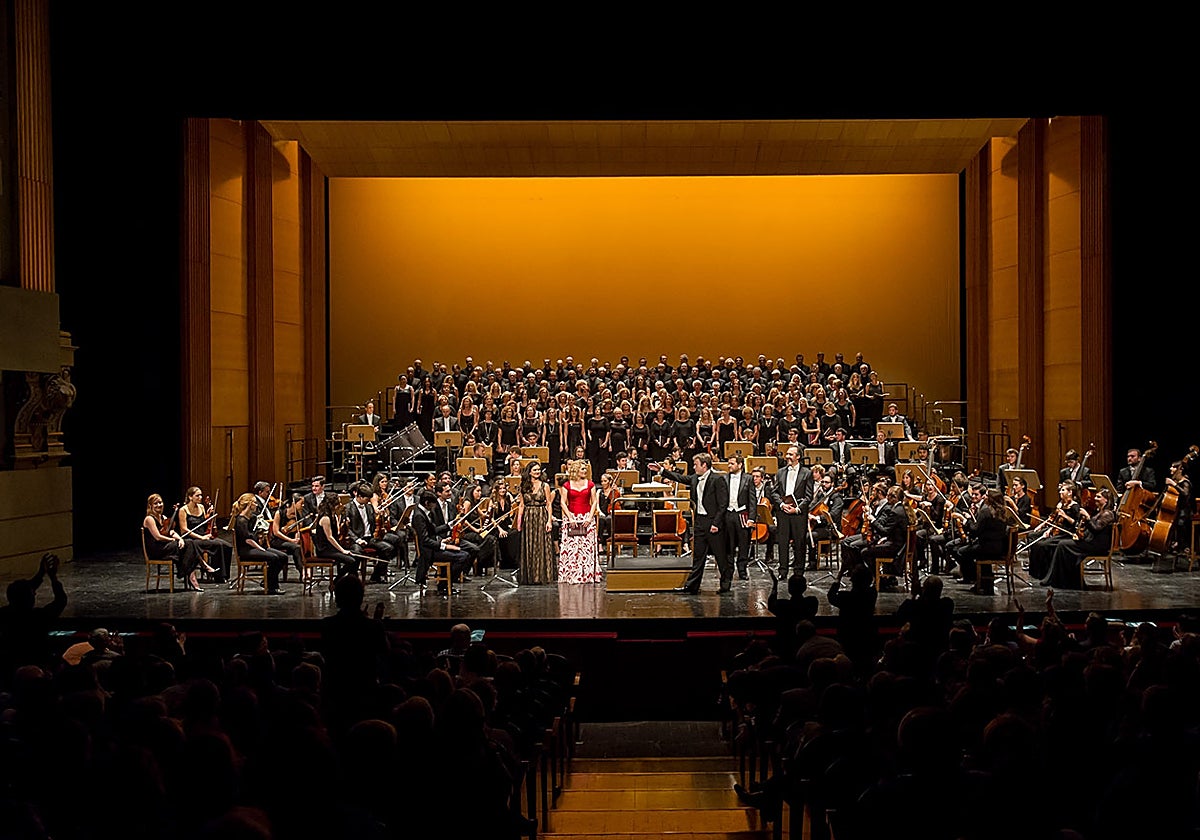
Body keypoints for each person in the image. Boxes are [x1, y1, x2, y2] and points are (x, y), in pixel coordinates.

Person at [651, 452, 731, 594]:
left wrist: (716, 524)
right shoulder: (695, 478)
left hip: (714, 523)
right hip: (700, 521)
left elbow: (723, 504)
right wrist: (662, 471)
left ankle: (725, 585)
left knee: (721, 556)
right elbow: (680, 478)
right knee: (698, 556)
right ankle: (692, 586)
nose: (694, 467)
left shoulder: (717, 479)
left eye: (696, 464)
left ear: (704, 465)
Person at [0, 554, 67, 681]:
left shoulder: (4, 615)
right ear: (30, 598)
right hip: (39, 666)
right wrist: (53, 577)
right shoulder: (39, 617)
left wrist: (40, 574)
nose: (35, 593)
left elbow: (19, 594)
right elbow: (61, 601)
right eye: (33, 593)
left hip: (10, 667)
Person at [1039, 488, 1116, 589]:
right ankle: (1060, 579)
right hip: (1091, 542)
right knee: (1063, 544)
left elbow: (1096, 529)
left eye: (1098, 497)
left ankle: (1065, 581)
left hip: (1097, 545)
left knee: (1063, 545)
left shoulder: (1108, 514)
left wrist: (1087, 518)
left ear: (1106, 500)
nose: (1095, 498)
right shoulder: (1100, 512)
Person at [410, 489, 473, 594]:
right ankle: (445, 585)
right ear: (426, 503)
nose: (434, 507)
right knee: (463, 556)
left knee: (463, 553)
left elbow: (433, 530)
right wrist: (444, 546)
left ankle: (444, 584)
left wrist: (451, 524)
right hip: (429, 552)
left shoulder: (422, 512)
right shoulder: (419, 516)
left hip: (433, 548)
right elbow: (425, 540)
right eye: (433, 504)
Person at [768, 445, 814, 580]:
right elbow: (774, 492)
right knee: (782, 542)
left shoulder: (807, 473)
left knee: (799, 543)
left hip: (798, 513)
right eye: (787, 454)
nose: (787, 456)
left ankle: (799, 572)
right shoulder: (780, 472)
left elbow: (808, 496)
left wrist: (797, 508)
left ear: (798, 457)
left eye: (790, 454)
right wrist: (781, 504)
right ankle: (783, 571)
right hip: (783, 513)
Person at [231, 492, 287, 594]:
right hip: (246, 550)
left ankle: (267, 581)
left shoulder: (251, 518)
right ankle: (272, 586)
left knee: (283, 556)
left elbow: (255, 534)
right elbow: (248, 540)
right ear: (249, 504)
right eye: (255, 503)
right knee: (274, 557)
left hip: (256, 547)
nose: (257, 505)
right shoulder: (240, 521)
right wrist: (260, 549)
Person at [143, 493, 202, 589]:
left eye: (160, 502)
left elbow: (171, 531)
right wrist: (173, 540)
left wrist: (180, 539)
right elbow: (158, 537)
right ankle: (189, 573)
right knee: (186, 546)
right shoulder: (149, 519)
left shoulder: (164, 518)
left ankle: (189, 574)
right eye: (156, 503)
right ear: (150, 506)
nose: (159, 505)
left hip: (166, 546)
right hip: (157, 550)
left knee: (188, 543)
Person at [558, 459, 601, 584]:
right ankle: (572, 573)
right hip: (572, 519)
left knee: (586, 548)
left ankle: (587, 574)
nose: (585, 471)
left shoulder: (590, 484)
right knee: (573, 547)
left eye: (585, 469)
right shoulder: (567, 485)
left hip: (586, 517)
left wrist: (590, 517)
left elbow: (594, 502)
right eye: (582, 469)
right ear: (576, 469)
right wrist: (570, 517)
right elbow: (563, 502)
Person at [176, 486, 230, 582]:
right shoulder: (183, 510)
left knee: (227, 546)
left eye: (201, 495)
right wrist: (201, 537)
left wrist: (209, 516)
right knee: (218, 545)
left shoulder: (201, 507)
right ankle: (218, 576)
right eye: (197, 496)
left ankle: (224, 574)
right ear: (190, 497)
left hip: (203, 536)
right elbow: (184, 529)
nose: (200, 497)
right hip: (192, 539)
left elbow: (203, 523)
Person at [344, 482, 394, 583]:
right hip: (355, 540)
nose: (368, 501)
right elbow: (347, 529)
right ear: (359, 496)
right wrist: (357, 540)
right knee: (356, 552)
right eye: (366, 499)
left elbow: (374, 523)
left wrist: (382, 518)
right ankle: (353, 578)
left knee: (388, 548)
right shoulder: (348, 508)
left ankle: (376, 575)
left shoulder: (369, 506)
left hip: (369, 538)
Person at [516, 462, 556, 584]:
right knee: (530, 545)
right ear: (529, 472)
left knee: (541, 544)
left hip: (541, 515)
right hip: (528, 517)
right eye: (535, 470)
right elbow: (521, 505)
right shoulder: (524, 485)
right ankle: (531, 576)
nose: (538, 472)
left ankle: (541, 576)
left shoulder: (545, 486)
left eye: (539, 470)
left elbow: (549, 504)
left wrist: (549, 520)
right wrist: (519, 522)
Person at [766, 570, 819, 659]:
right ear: (805, 588)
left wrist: (775, 584)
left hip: (785, 644)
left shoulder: (783, 605)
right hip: (805, 644)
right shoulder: (811, 602)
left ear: (789, 589)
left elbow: (771, 604)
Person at [723, 454, 755, 580]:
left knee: (743, 543)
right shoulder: (724, 478)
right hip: (728, 513)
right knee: (728, 544)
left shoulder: (748, 479)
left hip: (742, 514)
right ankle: (729, 570)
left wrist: (751, 518)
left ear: (740, 465)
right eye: (729, 463)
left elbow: (752, 500)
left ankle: (742, 570)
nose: (729, 465)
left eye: (732, 463)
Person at [807, 471, 845, 572]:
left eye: (826, 482)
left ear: (832, 484)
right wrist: (808, 513)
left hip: (830, 528)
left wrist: (817, 518)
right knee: (799, 531)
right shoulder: (820, 494)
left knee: (809, 536)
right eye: (822, 482)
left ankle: (813, 562)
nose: (824, 484)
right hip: (820, 526)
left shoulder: (837, 497)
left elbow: (833, 515)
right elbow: (812, 505)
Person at [269, 492, 306, 581]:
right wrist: (290, 540)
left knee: (299, 546)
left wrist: (297, 538)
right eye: (301, 503)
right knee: (296, 547)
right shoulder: (279, 513)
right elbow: (276, 532)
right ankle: (302, 571)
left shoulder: (298, 515)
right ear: (294, 503)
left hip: (290, 541)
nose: (303, 505)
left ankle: (303, 571)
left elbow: (298, 529)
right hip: (277, 540)